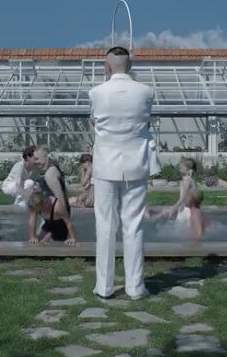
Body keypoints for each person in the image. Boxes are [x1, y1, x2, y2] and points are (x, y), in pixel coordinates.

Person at [89, 46, 154, 300]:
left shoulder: (96, 92)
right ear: (130, 65)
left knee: (105, 225)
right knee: (133, 225)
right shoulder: (146, 91)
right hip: (136, 161)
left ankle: (104, 286)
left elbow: (95, 121)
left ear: (107, 66)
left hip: (105, 164)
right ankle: (135, 287)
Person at [26, 147, 76, 245]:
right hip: (48, 212)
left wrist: (64, 218)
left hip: (57, 213)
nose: (35, 162)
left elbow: (60, 198)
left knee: (46, 243)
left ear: (46, 158)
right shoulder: (50, 171)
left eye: (37, 159)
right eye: (34, 159)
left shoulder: (50, 174)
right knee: (38, 241)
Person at [164, 158, 204, 239]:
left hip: (186, 210)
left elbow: (182, 198)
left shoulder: (186, 180)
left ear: (188, 169)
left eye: (182, 166)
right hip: (190, 208)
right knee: (188, 233)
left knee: (182, 234)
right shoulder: (192, 180)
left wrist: (173, 208)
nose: (180, 167)